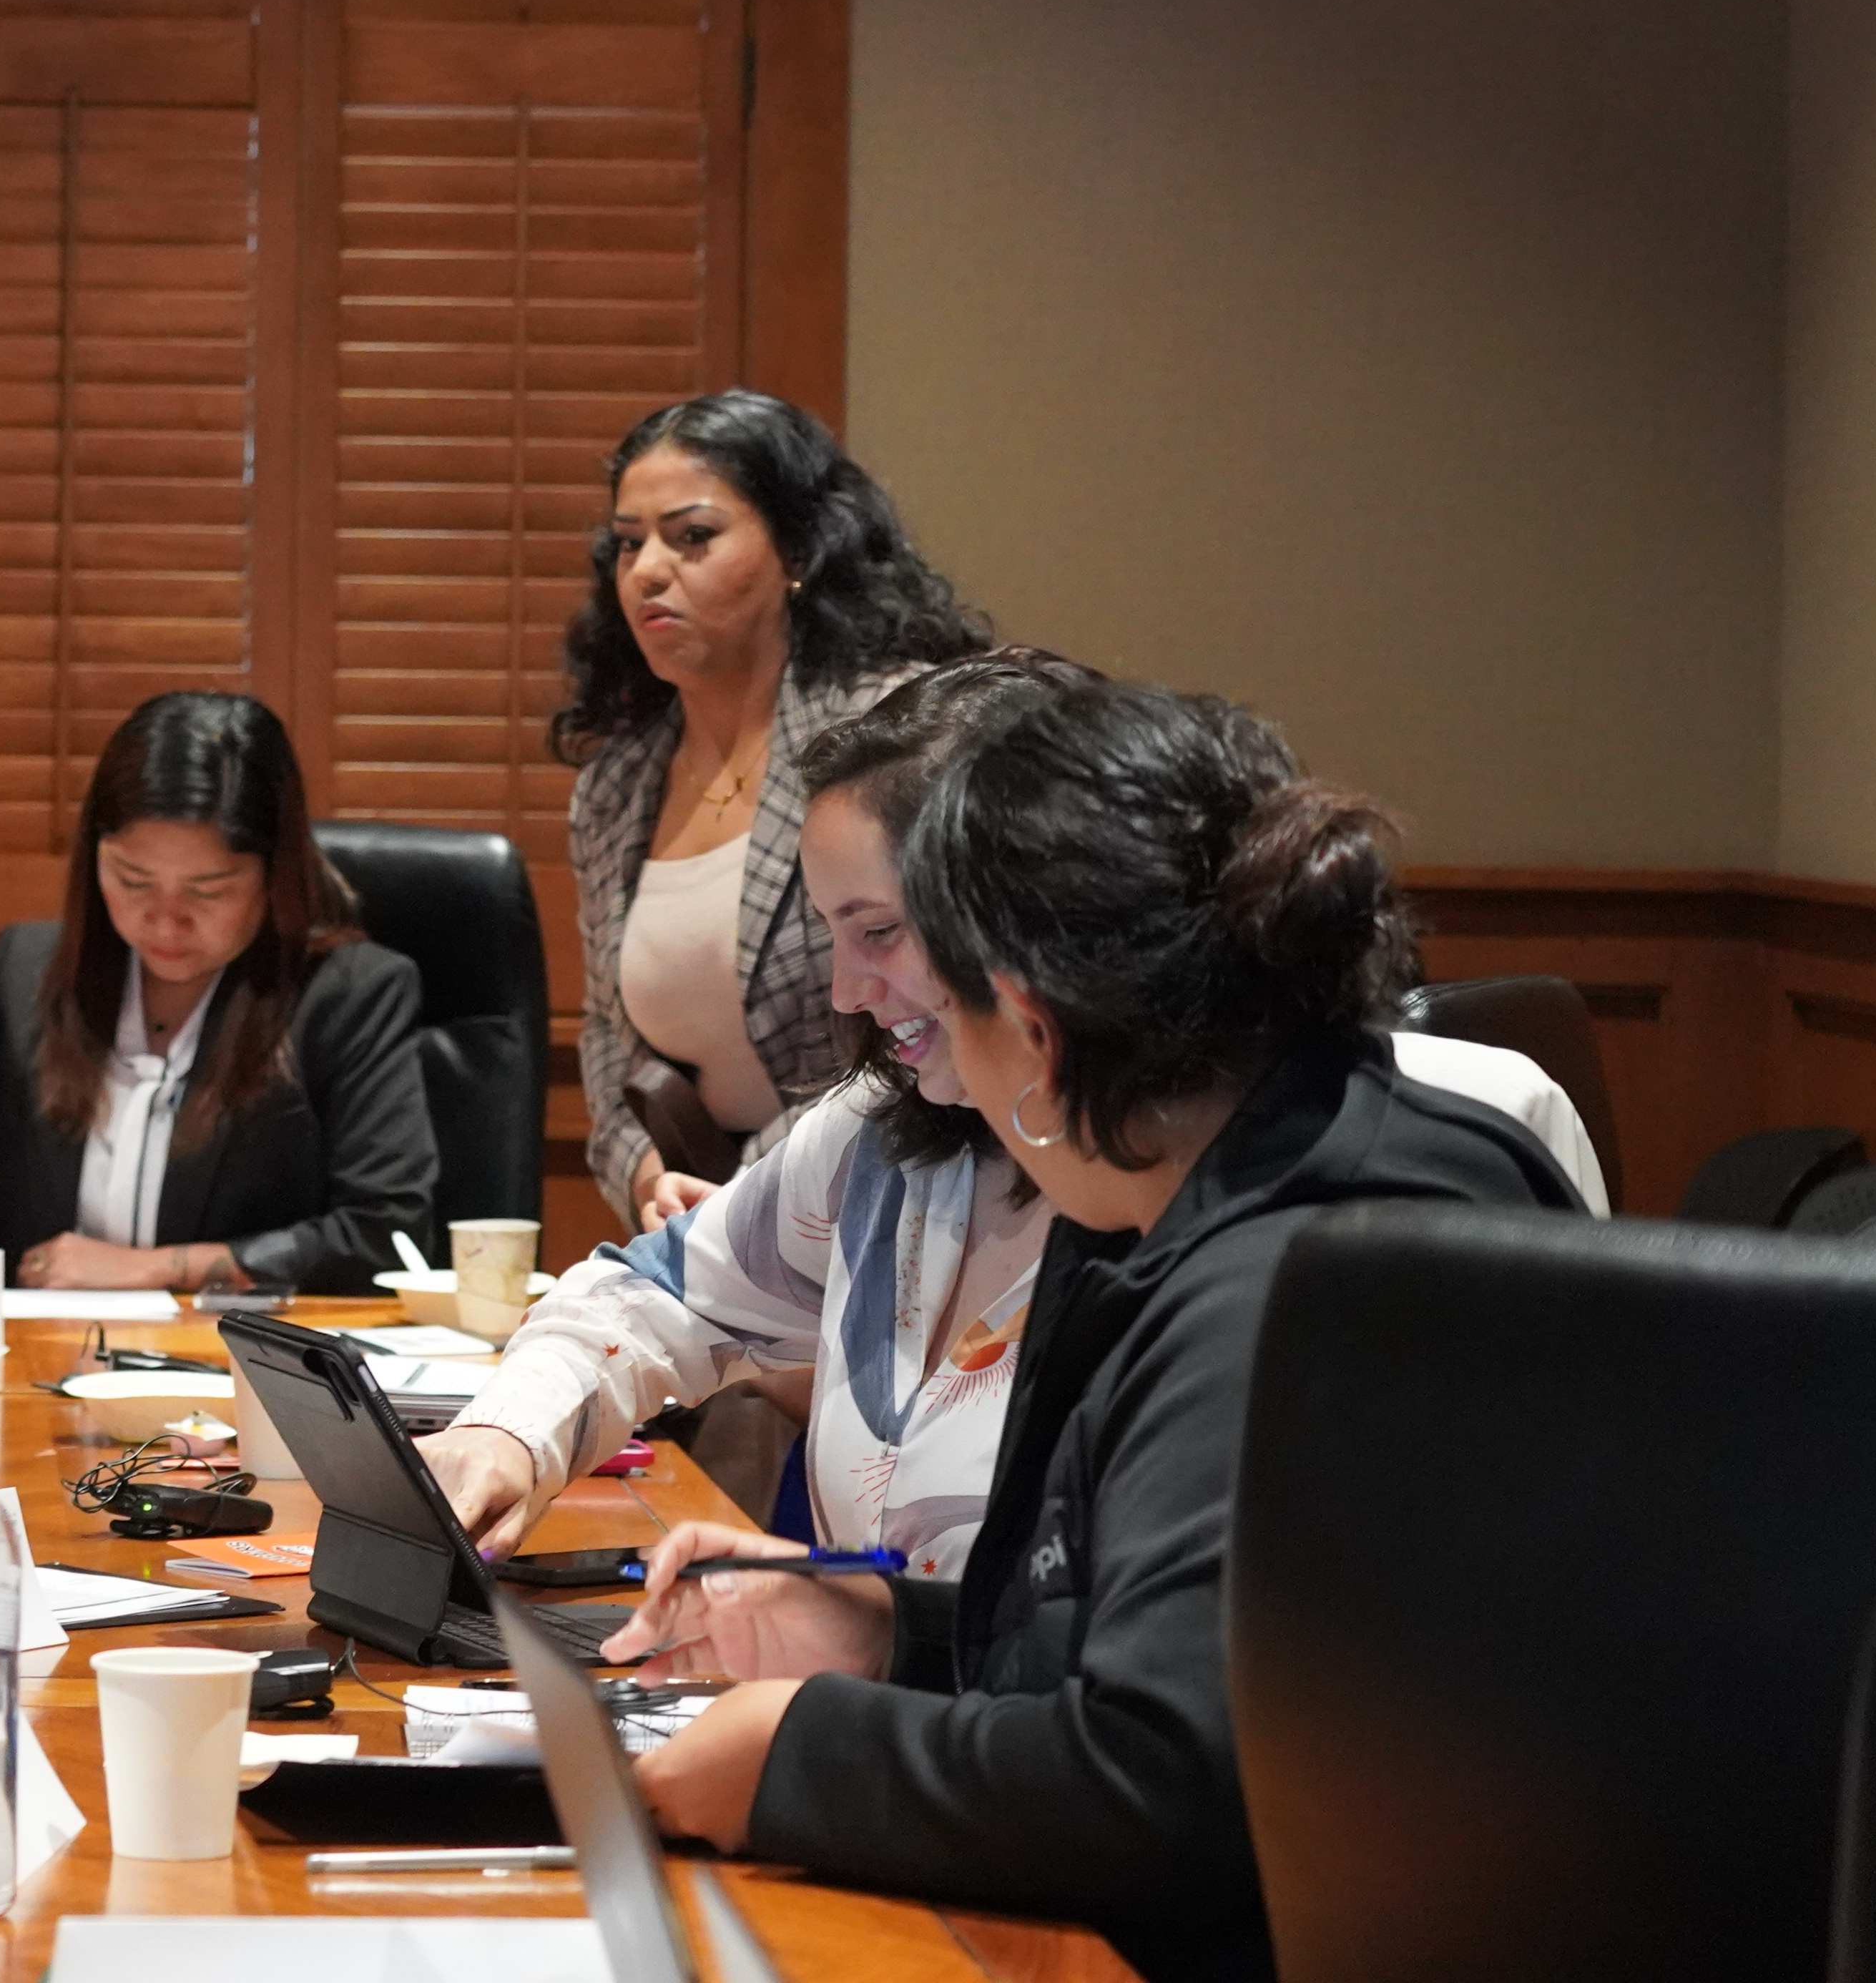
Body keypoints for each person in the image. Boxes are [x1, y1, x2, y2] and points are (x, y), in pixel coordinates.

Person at [592, 678, 1588, 1983]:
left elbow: (1163, 1785)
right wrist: (891, 1638)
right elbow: (1191, 1670)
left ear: (1040, 1032)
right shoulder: (1242, 1171)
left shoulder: (1290, 1272)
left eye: (944, 1009)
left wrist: (806, 1761)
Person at [422, 654, 1604, 1582]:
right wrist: (510, 1433)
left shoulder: (1400, 1152)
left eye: (880, 933)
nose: (845, 993)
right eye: (830, 935)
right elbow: (663, 1292)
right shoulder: (885, 1129)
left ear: (1040, 926)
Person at [556, 390, 991, 1232]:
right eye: (627, 542)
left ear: (797, 547)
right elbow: (608, 1037)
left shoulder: (892, 740)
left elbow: (931, 1008)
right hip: (708, 1228)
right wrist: (646, 1173)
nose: (647, 569)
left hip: (913, 1202)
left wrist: (758, 1191)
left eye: (692, 537)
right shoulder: (615, 783)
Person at [0, 691, 436, 1292]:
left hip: (232, 1364)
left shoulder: (350, 994)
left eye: (207, 891)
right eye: (133, 880)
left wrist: (153, 1270)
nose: (164, 920)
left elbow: (386, 1233)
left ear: (276, 875)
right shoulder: (24, 970)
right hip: (42, 1362)